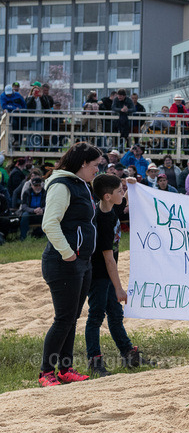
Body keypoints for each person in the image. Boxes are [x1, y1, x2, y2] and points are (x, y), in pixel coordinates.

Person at [38, 142, 105, 386]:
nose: (97, 170)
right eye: (96, 165)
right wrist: (68, 254)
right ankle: (46, 372)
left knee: (71, 318)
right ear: (83, 163)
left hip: (81, 262)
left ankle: (65, 369)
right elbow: (50, 223)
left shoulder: (80, 185)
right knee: (63, 319)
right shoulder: (61, 185)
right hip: (63, 261)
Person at [86, 175, 155, 376]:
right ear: (108, 196)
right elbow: (109, 260)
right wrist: (118, 287)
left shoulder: (111, 207)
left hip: (108, 274)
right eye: (119, 191)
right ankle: (94, 361)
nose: (122, 194)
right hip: (99, 275)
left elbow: (124, 199)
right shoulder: (102, 221)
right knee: (96, 317)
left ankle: (128, 355)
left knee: (115, 315)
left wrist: (131, 185)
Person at [19, 175, 46, 240]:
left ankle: (46, 236)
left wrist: (42, 210)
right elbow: (24, 206)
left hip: (41, 213)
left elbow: (48, 205)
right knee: (25, 215)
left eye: (39, 185)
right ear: (32, 186)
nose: (38, 187)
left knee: (49, 215)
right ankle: (23, 237)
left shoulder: (45, 193)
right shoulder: (27, 192)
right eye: (35, 186)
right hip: (30, 213)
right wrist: (33, 210)